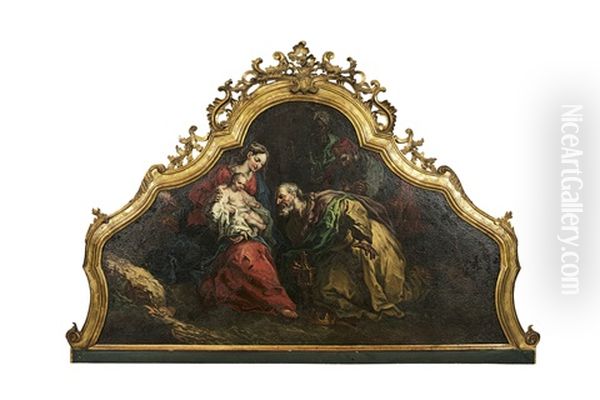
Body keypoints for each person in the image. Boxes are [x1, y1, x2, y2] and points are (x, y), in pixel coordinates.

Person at [275, 183, 426, 321]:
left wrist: (364, 238)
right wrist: (300, 263)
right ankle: (364, 309)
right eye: (276, 199)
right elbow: (306, 251)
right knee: (326, 289)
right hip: (338, 251)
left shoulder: (323, 201)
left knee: (382, 281)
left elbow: (354, 207)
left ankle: (414, 282)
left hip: (367, 237)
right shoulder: (292, 227)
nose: (277, 202)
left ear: (294, 194)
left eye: (281, 197)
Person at [197, 144, 297, 319]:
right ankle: (275, 302)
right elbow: (207, 201)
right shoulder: (225, 174)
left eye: (262, 164)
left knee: (259, 252)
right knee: (243, 256)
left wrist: (257, 217)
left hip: (251, 233)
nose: (258, 166)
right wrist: (217, 202)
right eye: (257, 160)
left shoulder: (258, 183)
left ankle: (278, 301)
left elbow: (260, 207)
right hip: (227, 231)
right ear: (249, 155)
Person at [209, 173, 271, 240]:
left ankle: (256, 231)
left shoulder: (242, 192)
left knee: (259, 219)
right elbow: (222, 203)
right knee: (247, 217)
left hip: (246, 209)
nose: (241, 186)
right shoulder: (227, 191)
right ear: (233, 180)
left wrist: (254, 204)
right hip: (239, 212)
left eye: (243, 185)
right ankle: (260, 226)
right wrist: (229, 208)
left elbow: (248, 200)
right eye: (239, 183)